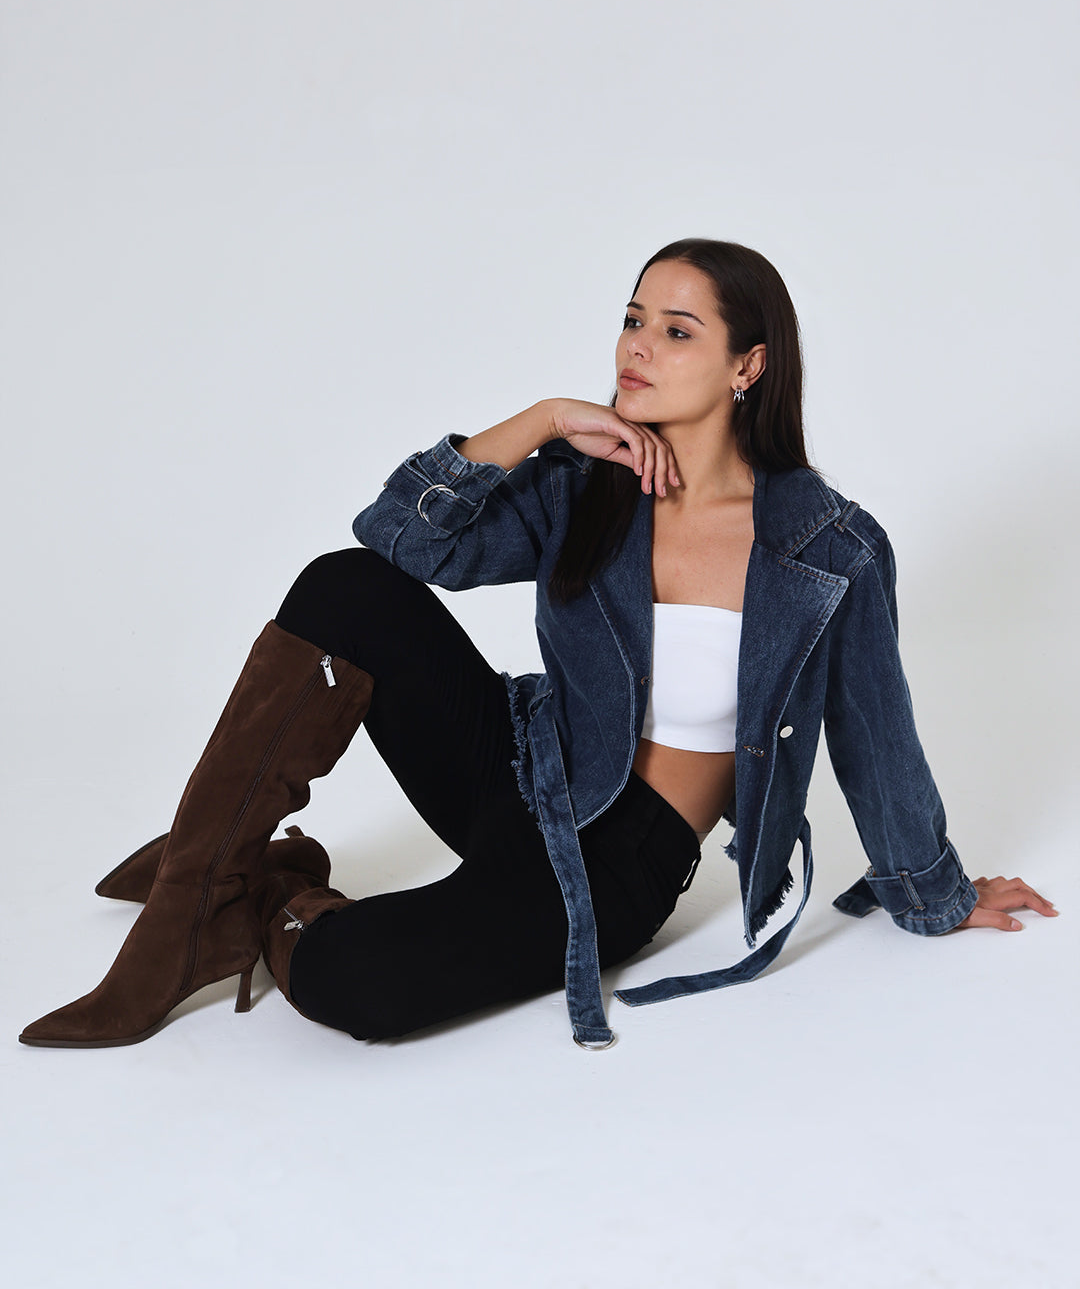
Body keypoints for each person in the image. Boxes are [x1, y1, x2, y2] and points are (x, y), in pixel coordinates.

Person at [19, 238, 1056, 1052]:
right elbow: (396, 542)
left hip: (618, 861)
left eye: (678, 331)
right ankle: (195, 901)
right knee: (345, 588)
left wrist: (935, 895)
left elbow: (876, 735)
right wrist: (538, 424)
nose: (637, 347)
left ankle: (271, 887)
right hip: (517, 762)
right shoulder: (580, 487)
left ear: (749, 364)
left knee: (359, 990)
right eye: (632, 320)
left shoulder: (829, 551)